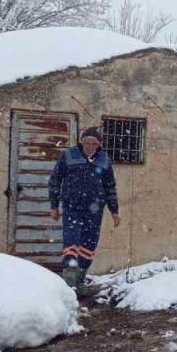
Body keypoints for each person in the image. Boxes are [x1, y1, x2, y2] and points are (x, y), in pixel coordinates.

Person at [49, 126, 121, 295]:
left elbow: (110, 186)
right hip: (72, 207)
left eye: (94, 143)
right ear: (81, 142)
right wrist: (54, 206)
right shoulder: (68, 156)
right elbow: (55, 180)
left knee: (89, 245)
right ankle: (69, 282)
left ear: (99, 144)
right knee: (71, 241)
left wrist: (114, 211)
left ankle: (80, 278)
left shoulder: (104, 160)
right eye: (87, 142)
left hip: (94, 210)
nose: (90, 146)